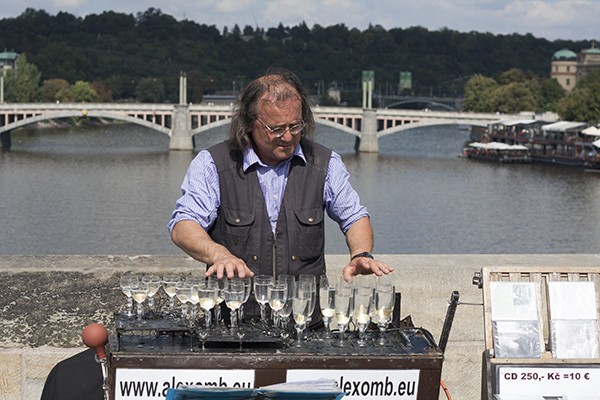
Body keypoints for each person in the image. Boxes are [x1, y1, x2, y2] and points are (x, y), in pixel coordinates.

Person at [168, 67, 393, 321]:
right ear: (249, 122)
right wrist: (218, 254)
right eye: (275, 129)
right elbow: (183, 225)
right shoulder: (212, 164)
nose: (287, 137)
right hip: (234, 323)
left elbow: (354, 217)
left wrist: (361, 254)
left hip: (304, 321)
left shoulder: (324, 163)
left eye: (295, 126)